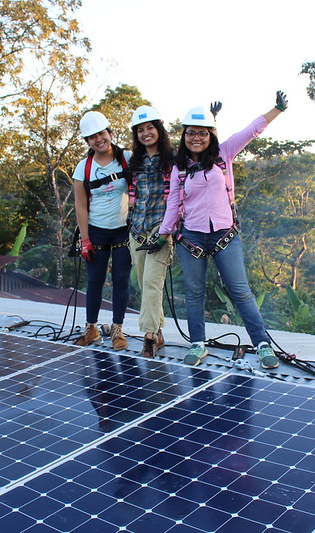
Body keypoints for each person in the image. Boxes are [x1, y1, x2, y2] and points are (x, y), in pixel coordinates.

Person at [159, 91, 288, 368]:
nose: (196, 138)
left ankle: (262, 344)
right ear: (184, 136)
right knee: (194, 292)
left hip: (224, 234)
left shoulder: (223, 154)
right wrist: (164, 232)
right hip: (191, 237)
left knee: (240, 290)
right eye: (191, 133)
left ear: (211, 135)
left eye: (203, 133)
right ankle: (197, 343)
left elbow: (251, 131)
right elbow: (173, 201)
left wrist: (276, 109)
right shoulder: (179, 168)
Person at [72, 111, 132, 350]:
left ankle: (118, 330)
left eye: (101, 133)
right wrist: (85, 239)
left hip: (123, 230)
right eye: (92, 137)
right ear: (87, 142)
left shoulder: (126, 158)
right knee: (95, 280)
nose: (98, 139)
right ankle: (91, 329)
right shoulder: (84, 167)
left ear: (110, 133)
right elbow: (80, 205)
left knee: (121, 279)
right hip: (96, 230)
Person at [127, 106, 175, 358]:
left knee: (152, 284)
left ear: (159, 129)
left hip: (161, 229)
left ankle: (147, 338)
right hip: (136, 229)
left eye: (150, 128)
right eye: (140, 130)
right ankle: (158, 333)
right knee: (145, 286)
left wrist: (168, 231)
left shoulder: (173, 159)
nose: (146, 133)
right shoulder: (133, 162)